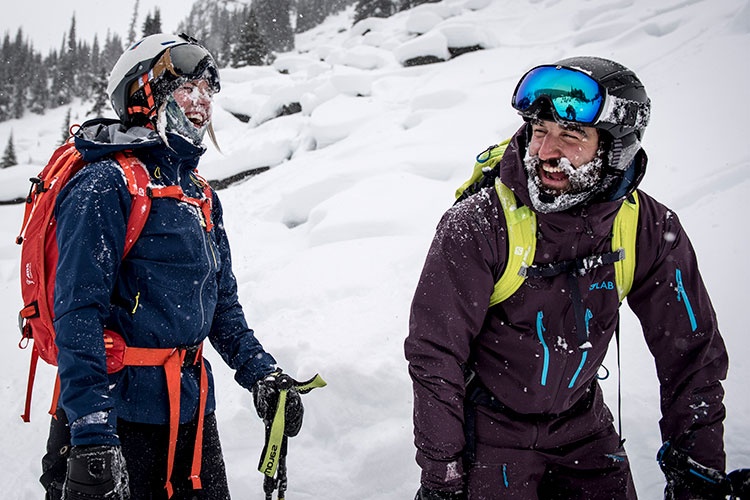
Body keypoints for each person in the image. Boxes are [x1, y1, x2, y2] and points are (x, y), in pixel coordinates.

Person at [404, 56, 729, 500]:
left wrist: (699, 467)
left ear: (616, 147)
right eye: (540, 132)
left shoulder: (646, 228)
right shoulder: (479, 224)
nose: (546, 152)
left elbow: (692, 354)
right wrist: (442, 472)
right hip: (490, 429)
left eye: (570, 136)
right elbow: (435, 352)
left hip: (584, 426)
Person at [40, 33, 303, 500]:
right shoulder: (105, 184)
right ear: (145, 95)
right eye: (187, 88)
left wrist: (261, 373)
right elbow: (77, 315)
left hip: (194, 422)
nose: (201, 103)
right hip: (119, 422)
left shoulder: (201, 195)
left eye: (208, 91)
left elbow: (221, 307)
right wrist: (93, 433)